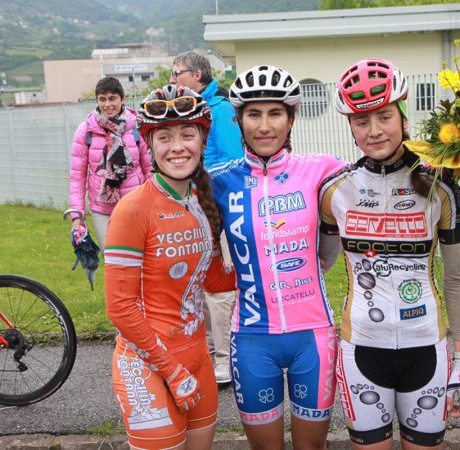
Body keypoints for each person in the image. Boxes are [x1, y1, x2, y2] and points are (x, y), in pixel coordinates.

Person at [319, 59, 460, 450]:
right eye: (361, 121)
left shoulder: (440, 186)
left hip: (426, 347)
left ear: (404, 117)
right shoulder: (335, 190)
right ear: (351, 127)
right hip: (361, 348)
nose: (374, 130)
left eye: (384, 116)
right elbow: (320, 264)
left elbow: (458, 279)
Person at [209, 64, 347, 450]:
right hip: (252, 337)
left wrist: (455, 162)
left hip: (313, 335)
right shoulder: (219, 179)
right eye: (254, 114)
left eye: (275, 113)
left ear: (291, 119)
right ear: (239, 121)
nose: (265, 126)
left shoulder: (321, 168)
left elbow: (383, 173)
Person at [104, 84, 236, 450]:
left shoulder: (202, 201)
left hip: (197, 359)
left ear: (202, 140)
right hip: (147, 365)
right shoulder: (133, 209)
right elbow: (119, 307)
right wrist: (171, 371)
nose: (177, 146)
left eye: (187, 135)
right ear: (150, 145)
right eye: (165, 137)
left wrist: (268, 272)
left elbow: (214, 281)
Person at [170, 50, 244, 384]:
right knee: (198, 284)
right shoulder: (190, 109)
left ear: (197, 76)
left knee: (219, 286)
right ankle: (210, 352)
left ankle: (226, 359)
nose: (173, 79)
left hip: (217, 208)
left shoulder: (221, 109)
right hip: (194, 206)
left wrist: (201, 179)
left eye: (177, 73)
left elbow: (233, 161)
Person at [69, 76, 152, 250]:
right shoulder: (86, 131)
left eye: (112, 98)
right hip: (102, 209)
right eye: (102, 99)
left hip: (136, 206)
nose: (107, 104)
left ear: (122, 99)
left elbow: (150, 169)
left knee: (139, 255)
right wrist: (77, 215)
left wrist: (156, 203)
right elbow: (77, 176)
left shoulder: (137, 127)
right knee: (111, 257)